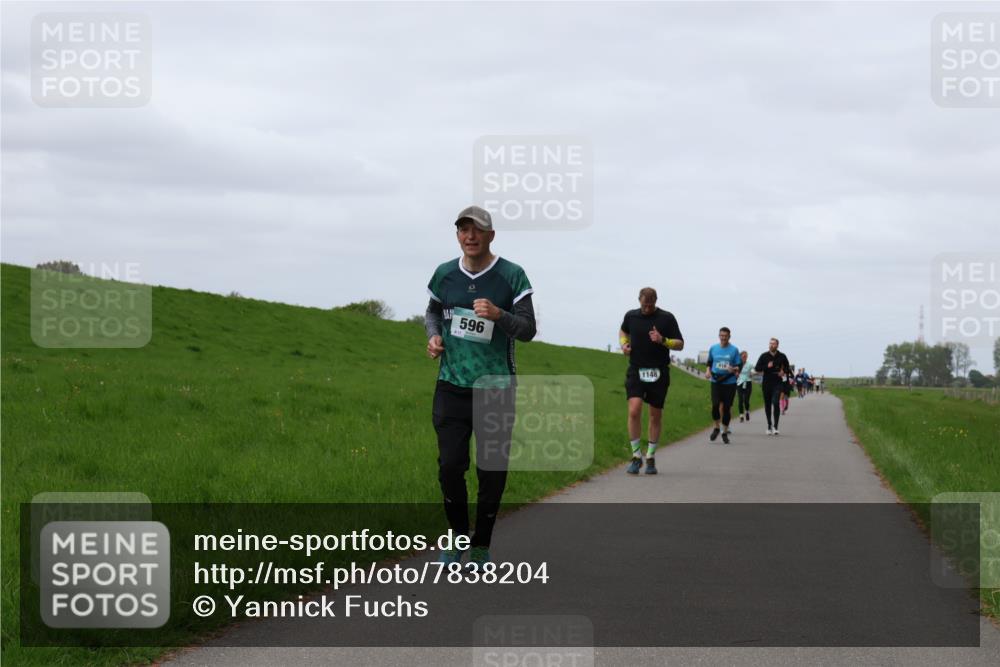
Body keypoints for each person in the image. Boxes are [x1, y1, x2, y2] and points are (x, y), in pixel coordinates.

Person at [424, 205, 536, 568]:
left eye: (477, 230)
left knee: (491, 470)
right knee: (450, 466)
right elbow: (432, 312)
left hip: (496, 388)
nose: (469, 236)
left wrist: (499, 314)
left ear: (491, 235)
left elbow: (529, 330)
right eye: (463, 230)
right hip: (451, 384)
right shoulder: (444, 274)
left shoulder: (511, 275)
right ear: (457, 235)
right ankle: (458, 537)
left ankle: (481, 545)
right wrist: (434, 337)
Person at [619, 287, 684, 475]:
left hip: (659, 372)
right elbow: (623, 331)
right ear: (639, 300)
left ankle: (651, 457)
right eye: (644, 304)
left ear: (656, 301)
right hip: (636, 369)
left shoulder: (667, 318)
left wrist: (663, 340)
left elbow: (680, 344)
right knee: (634, 409)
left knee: (655, 415)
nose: (647, 308)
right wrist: (624, 345)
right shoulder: (631, 316)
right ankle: (636, 456)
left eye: (650, 305)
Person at [705, 327, 741, 443]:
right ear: (719, 336)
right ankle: (716, 427)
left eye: (725, 336)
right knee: (715, 405)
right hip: (716, 381)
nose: (723, 338)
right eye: (721, 335)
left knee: (726, 408)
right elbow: (709, 362)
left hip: (729, 382)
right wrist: (707, 371)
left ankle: (724, 432)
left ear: (729, 337)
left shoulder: (734, 350)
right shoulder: (713, 348)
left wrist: (734, 368)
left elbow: (739, 365)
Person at [754, 338, 791, 435]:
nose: (771, 345)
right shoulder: (764, 356)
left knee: (775, 402)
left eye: (773, 344)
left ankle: (776, 427)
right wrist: (767, 366)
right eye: (770, 344)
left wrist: (784, 371)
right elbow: (757, 368)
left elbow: (788, 367)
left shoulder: (782, 356)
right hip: (766, 381)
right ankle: (769, 425)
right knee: (767, 404)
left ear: (777, 345)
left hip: (777, 382)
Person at [736, 350, 754, 422]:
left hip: (748, 383)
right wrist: (736, 374)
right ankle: (741, 416)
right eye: (743, 356)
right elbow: (734, 371)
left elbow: (753, 370)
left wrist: (752, 373)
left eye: (746, 356)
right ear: (740, 357)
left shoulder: (749, 364)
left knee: (746, 400)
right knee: (740, 400)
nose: (744, 358)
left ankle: (747, 411)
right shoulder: (737, 364)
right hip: (739, 383)